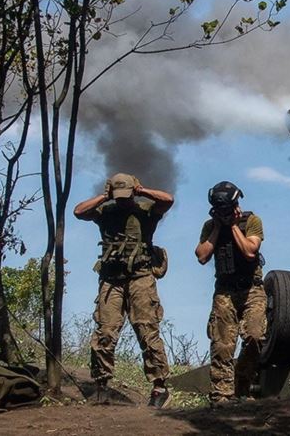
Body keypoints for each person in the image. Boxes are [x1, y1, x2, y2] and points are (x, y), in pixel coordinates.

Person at [74, 173, 173, 408]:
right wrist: (104, 196)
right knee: (105, 333)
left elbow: (168, 200)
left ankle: (160, 388)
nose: (122, 200)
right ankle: (101, 387)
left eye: (125, 195)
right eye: (118, 196)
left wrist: (142, 190)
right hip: (111, 280)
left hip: (141, 277)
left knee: (147, 331)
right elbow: (78, 212)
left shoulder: (146, 209)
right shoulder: (105, 211)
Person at [195, 181, 265, 405]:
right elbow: (202, 256)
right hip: (225, 290)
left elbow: (249, 252)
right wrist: (217, 227)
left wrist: (233, 226)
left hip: (251, 289)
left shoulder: (251, 221)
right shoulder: (210, 226)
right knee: (222, 344)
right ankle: (221, 395)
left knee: (255, 336)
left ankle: (241, 385)